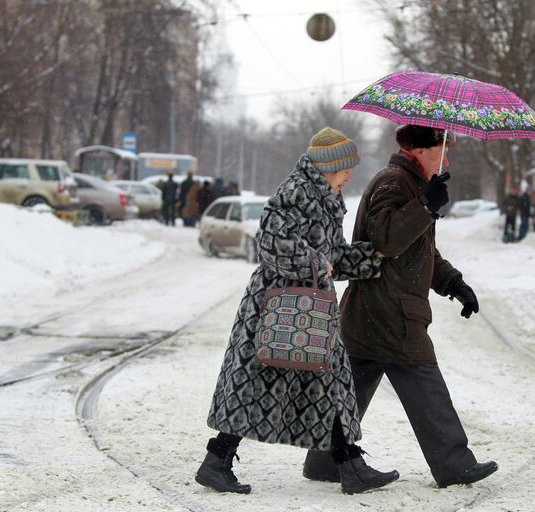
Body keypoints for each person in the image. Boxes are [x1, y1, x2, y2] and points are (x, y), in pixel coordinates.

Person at [197, 127, 399, 495]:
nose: (350, 174)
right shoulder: (296, 192)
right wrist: (312, 263)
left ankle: (350, 465)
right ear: (328, 166)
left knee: (332, 383)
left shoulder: (326, 197)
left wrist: (374, 258)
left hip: (312, 308)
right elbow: (271, 242)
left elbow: (332, 256)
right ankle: (216, 461)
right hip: (276, 306)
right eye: (346, 167)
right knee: (257, 385)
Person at [302, 124, 497, 489]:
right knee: (425, 383)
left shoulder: (410, 183)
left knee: (354, 385)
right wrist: (425, 206)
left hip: (373, 312)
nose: (447, 155)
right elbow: (386, 239)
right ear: (421, 150)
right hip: (390, 312)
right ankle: (454, 464)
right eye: (443, 148)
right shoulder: (395, 182)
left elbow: (418, 251)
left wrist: (453, 282)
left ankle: (325, 459)